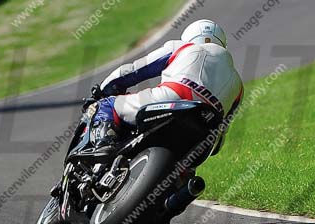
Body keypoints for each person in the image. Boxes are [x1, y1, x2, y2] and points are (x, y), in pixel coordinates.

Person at [89, 19, 244, 155]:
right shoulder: (239, 85)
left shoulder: (183, 47)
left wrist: (104, 90)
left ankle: (103, 148)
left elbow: (133, 70)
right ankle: (180, 182)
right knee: (185, 169)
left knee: (108, 105)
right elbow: (222, 135)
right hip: (206, 128)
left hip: (173, 96)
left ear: (189, 37)